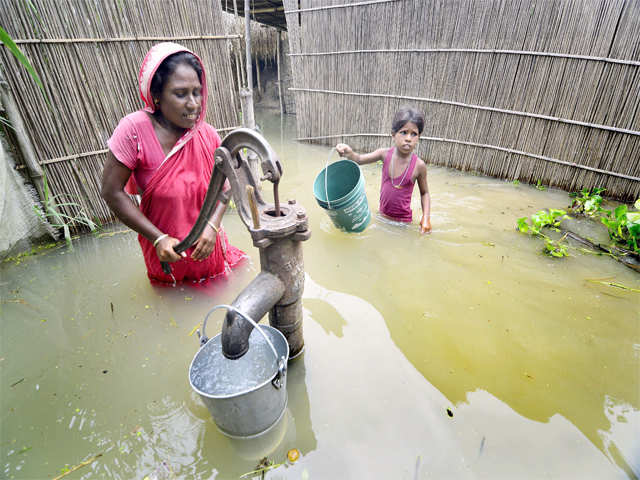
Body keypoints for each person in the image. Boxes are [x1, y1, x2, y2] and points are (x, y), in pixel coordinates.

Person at [101, 42, 246, 284]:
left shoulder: (207, 135)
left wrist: (212, 226)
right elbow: (111, 191)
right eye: (180, 94)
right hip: (166, 255)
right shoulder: (134, 131)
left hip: (207, 247)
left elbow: (227, 185)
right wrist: (157, 238)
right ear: (156, 95)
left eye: (196, 92)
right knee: (171, 301)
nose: (193, 104)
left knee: (217, 298)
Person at [335, 107, 432, 233]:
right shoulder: (384, 154)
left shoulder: (419, 166)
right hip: (382, 217)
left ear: (419, 137)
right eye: (403, 132)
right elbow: (359, 159)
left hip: (404, 222)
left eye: (414, 134)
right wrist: (349, 152)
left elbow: (425, 193)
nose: (408, 138)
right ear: (393, 134)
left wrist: (426, 218)